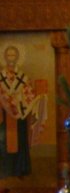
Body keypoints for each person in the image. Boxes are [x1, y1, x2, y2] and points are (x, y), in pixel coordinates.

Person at [0, 45, 47, 178]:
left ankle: (19, 170)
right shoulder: (0, 77)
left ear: (17, 58)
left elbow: (30, 94)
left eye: (13, 55)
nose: (11, 58)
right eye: (8, 55)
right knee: (3, 142)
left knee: (20, 141)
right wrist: (6, 101)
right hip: (3, 116)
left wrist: (21, 100)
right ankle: (5, 170)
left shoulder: (23, 78)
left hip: (20, 115)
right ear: (5, 57)